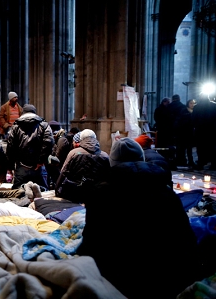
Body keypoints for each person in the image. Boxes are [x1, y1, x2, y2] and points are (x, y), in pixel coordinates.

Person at [76, 137, 199, 299]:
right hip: (165, 278)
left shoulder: (100, 193)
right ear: (142, 158)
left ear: (112, 163)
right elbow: (186, 239)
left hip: (117, 279)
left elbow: (91, 242)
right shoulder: (165, 191)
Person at [6, 104, 54, 190]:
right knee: (42, 193)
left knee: (18, 193)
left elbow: (10, 146)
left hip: (21, 166)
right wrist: (41, 161)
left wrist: (10, 166)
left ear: (23, 113)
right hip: (38, 167)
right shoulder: (44, 125)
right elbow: (49, 142)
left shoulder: (16, 126)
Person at [55, 129, 110, 201]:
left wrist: (57, 189)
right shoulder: (104, 155)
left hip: (75, 193)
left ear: (81, 139)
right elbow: (108, 177)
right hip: (96, 194)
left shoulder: (74, 153)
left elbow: (63, 172)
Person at [193, 96, 216, 170]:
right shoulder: (213, 105)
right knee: (212, 147)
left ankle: (200, 163)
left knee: (200, 148)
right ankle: (213, 164)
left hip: (200, 130)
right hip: (211, 130)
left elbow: (193, 118)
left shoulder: (197, 107)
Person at [175, 99, 196, 168]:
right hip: (183, 132)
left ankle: (190, 161)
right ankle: (182, 160)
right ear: (188, 104)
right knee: (183, 148)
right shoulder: (184, 111)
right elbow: (181, 120)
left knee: (189, 148)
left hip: (190, 132)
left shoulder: (195, 111)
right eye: (191, 103)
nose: (192, 105)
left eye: (193, 103)